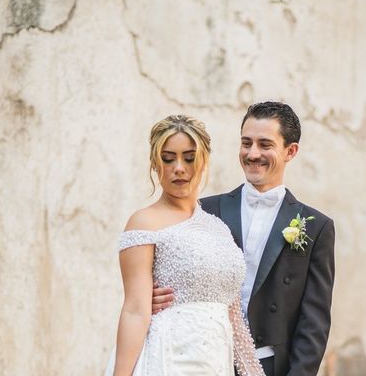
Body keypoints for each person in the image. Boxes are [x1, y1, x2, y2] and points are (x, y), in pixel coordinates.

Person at [152, 102, 336, 375]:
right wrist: (151, 298)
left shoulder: (316, 227)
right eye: (246, 143)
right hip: (205, 357)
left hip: (268, 365)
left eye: (265, 144)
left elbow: (314, 322)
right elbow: (169, 273)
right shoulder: (204, 210)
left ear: (290, 151)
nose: (252, 154)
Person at [105, 115, 264, 376]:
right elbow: (135, 309)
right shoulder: (144, 222)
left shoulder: (219, 229)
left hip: (214, 364)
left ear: (203, 161)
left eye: (189, 158)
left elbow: (234, 319)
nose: (179, 167)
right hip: (167, 359)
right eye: (168, 158)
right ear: (156, 164)